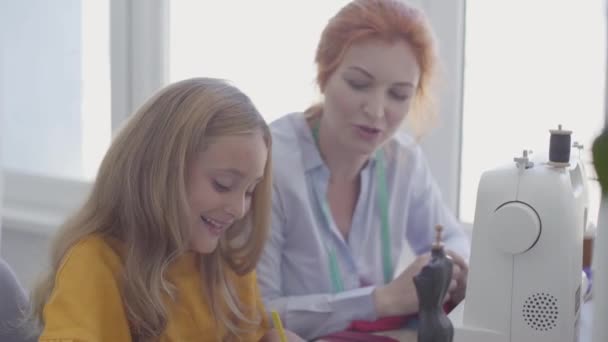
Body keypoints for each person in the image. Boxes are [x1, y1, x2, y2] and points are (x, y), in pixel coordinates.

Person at [26, 78, 302, 341]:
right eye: (223, 184)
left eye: (250, 191)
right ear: (161, 171)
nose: (239, 209)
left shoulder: (226, 263)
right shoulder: (95, 264)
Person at [256, 0, 471, 339]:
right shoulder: (271, 165)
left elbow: (452, 237)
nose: (376, 111)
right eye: (358, 84)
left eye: (399, 95)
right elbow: (257, 314)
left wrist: (456, 269)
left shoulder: (403, 161)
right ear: (324, 74)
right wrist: (381, 301)